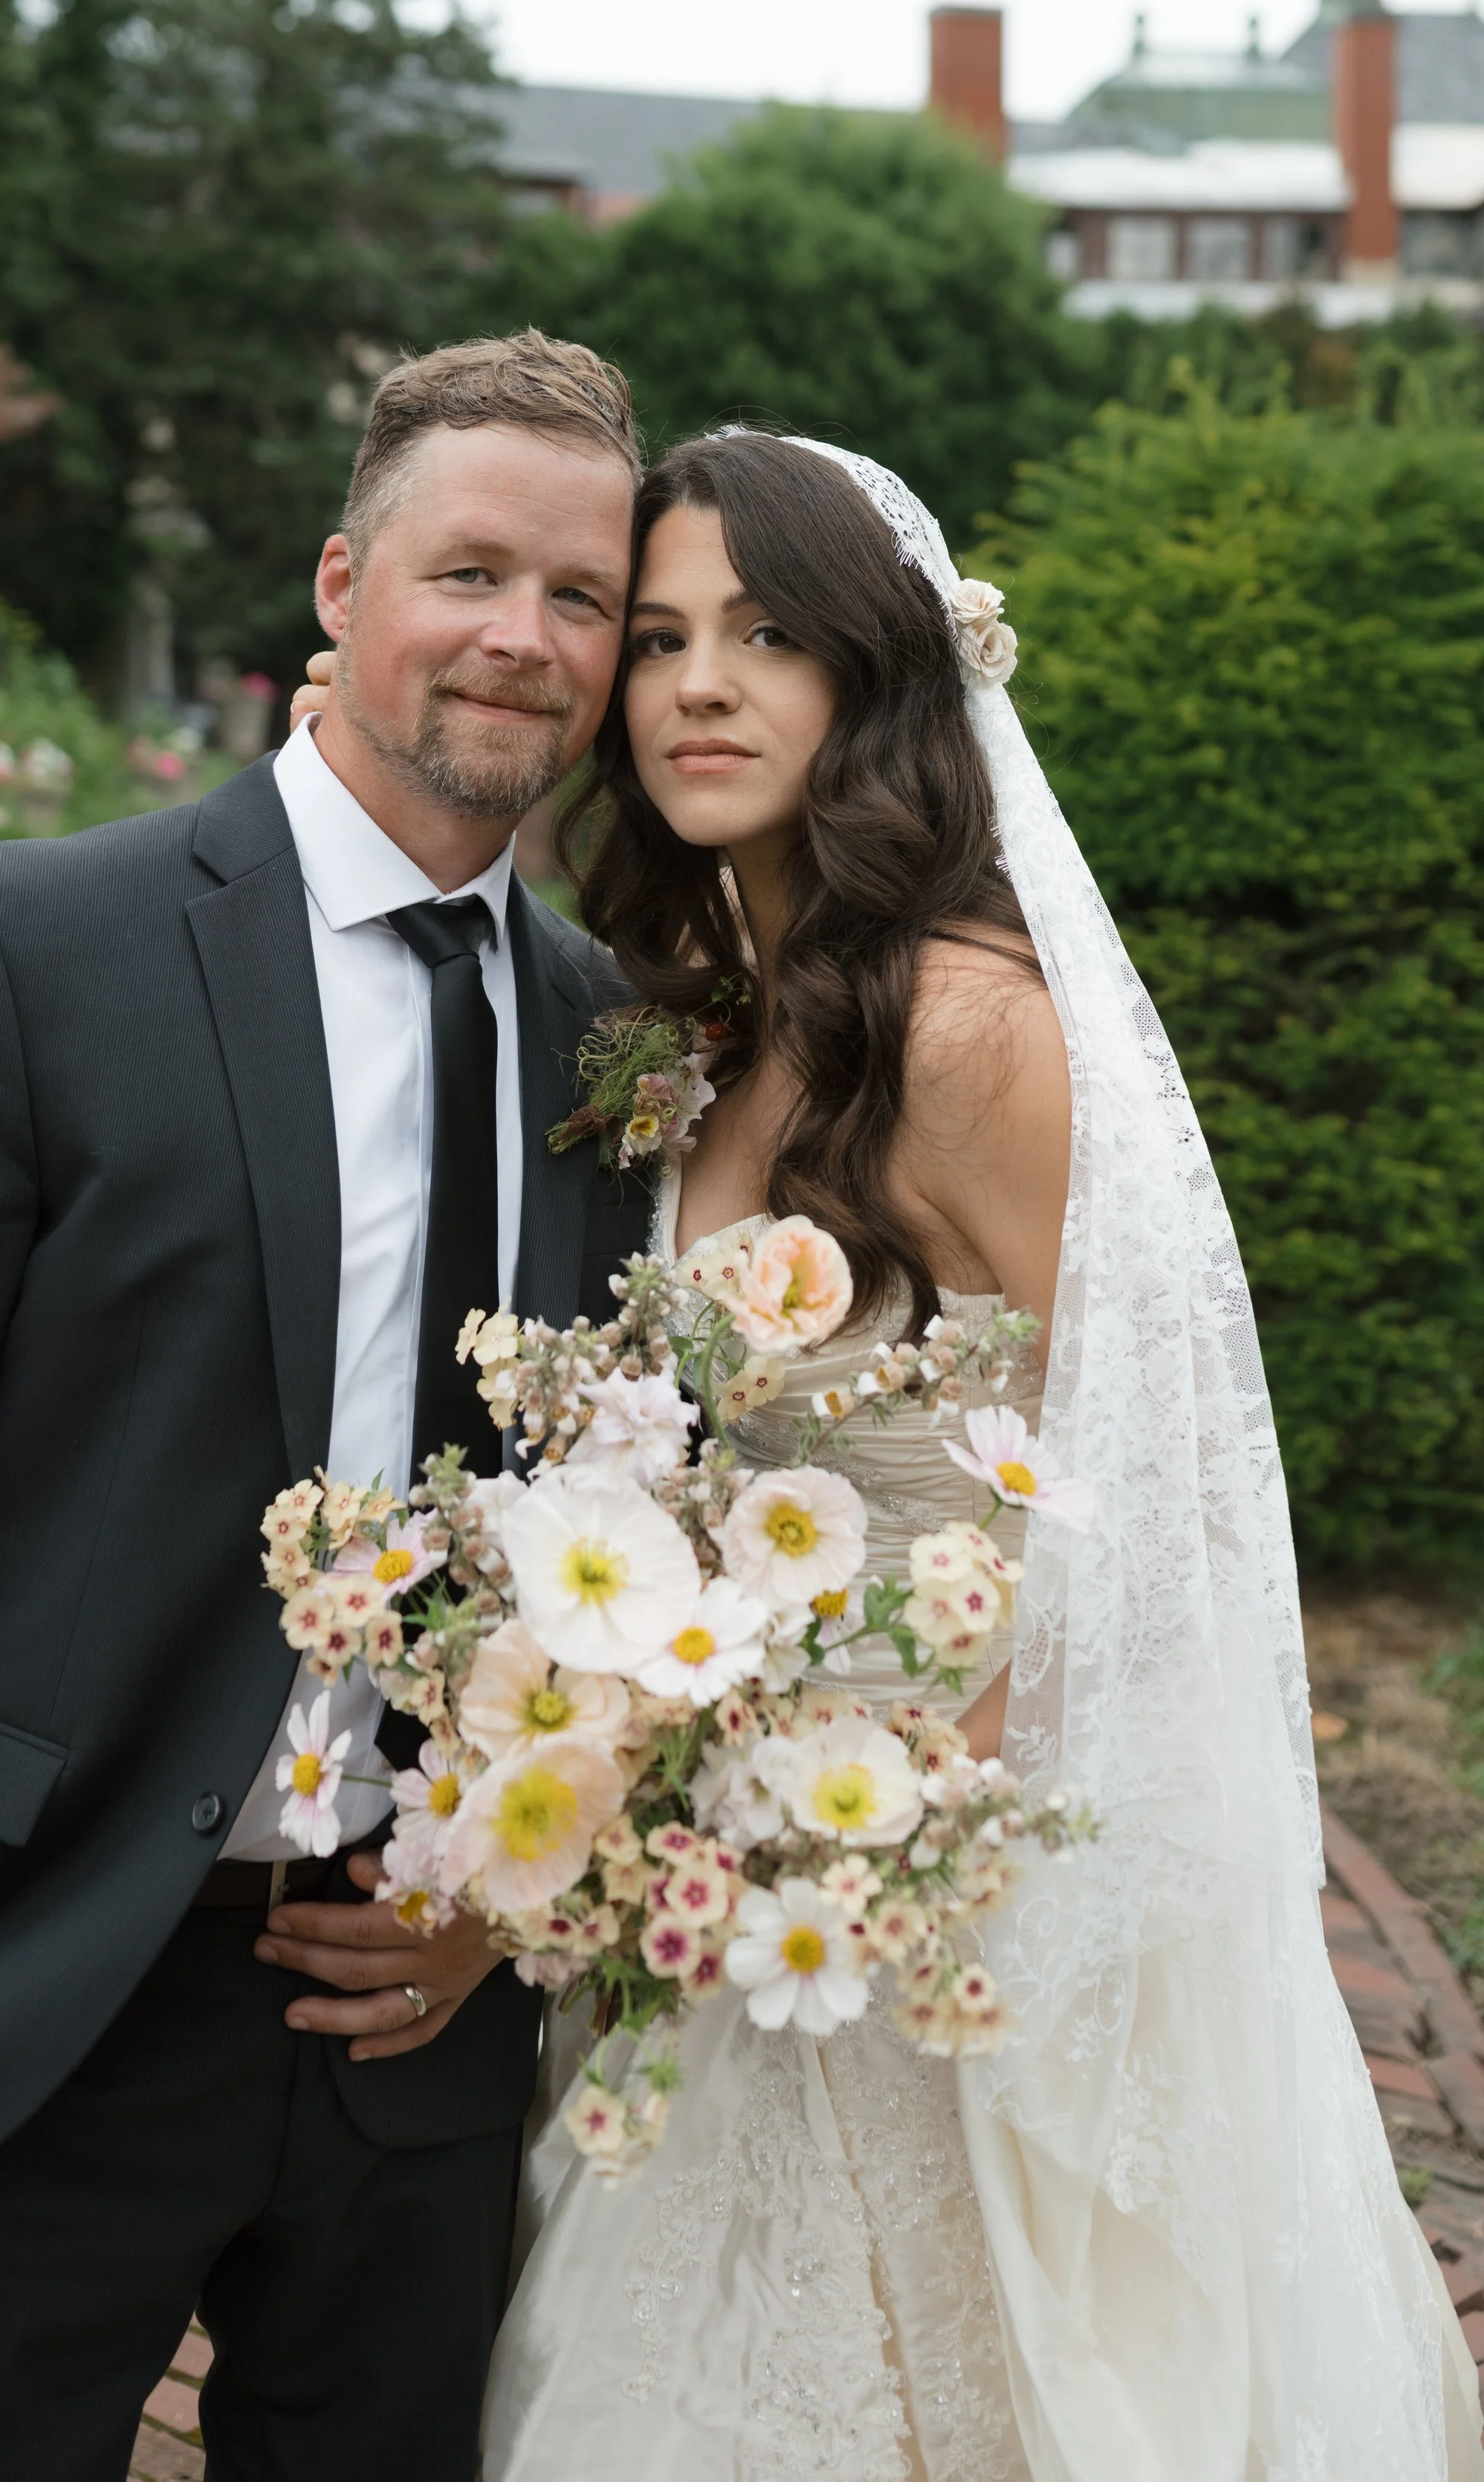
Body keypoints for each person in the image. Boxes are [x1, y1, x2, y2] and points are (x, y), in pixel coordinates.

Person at [297, 427, 1484, 2481]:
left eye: (764, 634)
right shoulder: (686, 1026)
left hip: (933, 1881)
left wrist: (928, 1809)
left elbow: (1158, 1476)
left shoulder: (965, 1024)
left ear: (874, 676)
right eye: (655, 634)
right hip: (707, 1887)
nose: (692, 684)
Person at [0, 329, 655, 2482]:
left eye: (580, 597)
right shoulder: (28, 946)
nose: (523, 637)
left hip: (409, 2021)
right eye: (470, 570)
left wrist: (497, 1895)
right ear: (340, 581)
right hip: (22, 1990)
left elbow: (610, 1515)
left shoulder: (618, 1039)